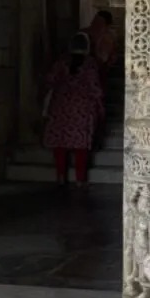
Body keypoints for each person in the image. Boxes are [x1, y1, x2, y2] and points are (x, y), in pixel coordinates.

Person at [43, 32, 104, 186]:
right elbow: (95, 88)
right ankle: (80, 179)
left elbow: (49, 80)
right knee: (80, 146)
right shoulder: (90, 64)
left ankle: (61, 176)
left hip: (60, 106)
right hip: (82, 109)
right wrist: (99, 105)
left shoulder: (61, 61)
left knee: (60, 144)